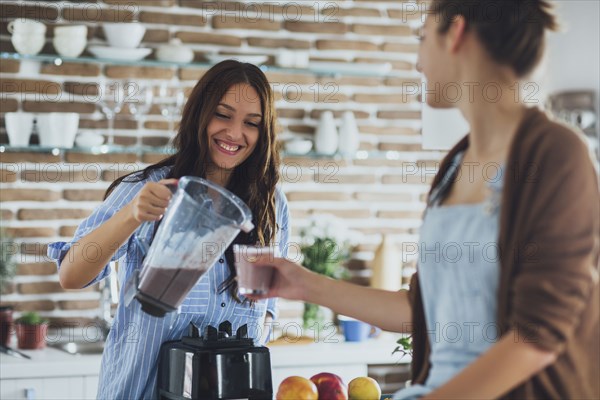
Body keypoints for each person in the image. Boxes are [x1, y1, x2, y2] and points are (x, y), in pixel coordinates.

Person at [249, 1, 599, 399]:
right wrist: (304, 284)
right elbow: (420, 310)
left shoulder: (555, 154)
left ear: (456, 33)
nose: (417, 62)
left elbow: (537, 337)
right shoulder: (455, 164)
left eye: (422, 38)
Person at [48, 60, 289, 399]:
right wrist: (133, 215)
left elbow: (264, 314)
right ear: (200, 114)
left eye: (251, 123)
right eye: (223, 114)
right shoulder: (148, 189)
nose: (235, 133)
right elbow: (71, 275)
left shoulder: (270, 205)